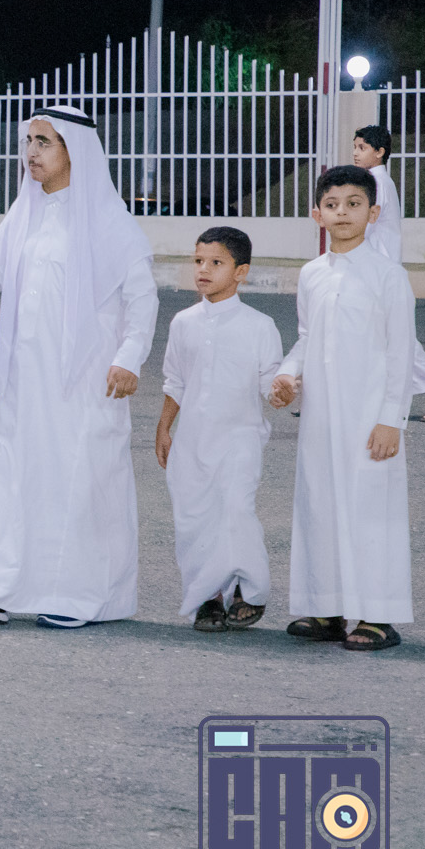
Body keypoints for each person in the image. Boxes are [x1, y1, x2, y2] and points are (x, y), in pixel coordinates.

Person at [0, 105, 158, 629]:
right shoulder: (22, 216)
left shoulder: (111, 222)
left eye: (45, 142)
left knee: (80, 481)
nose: (32, 152)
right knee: (12, 477)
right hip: (25, 379)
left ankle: (80, 596)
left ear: (74, 151)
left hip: (86, 381)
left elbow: (142, 299)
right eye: (29, 141)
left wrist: (129, 357)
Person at [269, 165, 416, 651]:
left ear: (373, 213)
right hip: (321, 416)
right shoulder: (312, 274)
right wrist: (288, 375)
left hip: (370, 416)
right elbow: (307, 337)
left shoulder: (388, 276)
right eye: (332, 205)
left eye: (354, 204)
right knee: (320, 505)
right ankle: (327, 608)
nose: (343, 213)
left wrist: (391, 420)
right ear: (318, 215)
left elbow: (401, 353)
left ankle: (378, 616)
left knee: (371, 510)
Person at [154, 227, 282, 632]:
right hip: (192, 440)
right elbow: (175, 380)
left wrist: (283, 392)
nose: (203, 270)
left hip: (240, 438)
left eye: (216, 262)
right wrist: (164, 428)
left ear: (240, 272)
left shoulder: (259, 326)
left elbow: (271, 383)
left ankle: (248, 590)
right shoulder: (183, 322)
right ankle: (208, 597)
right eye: (198, 261)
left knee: (236, 511)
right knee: (195, 519)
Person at [352, 126, 425, 422]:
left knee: (393, 340)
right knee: (378, 338)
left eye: (362, 147)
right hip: (377, 272)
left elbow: (363, 227)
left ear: (379, 152)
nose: (355, 153)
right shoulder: (377, 182)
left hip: (380, 275)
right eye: (355, 147)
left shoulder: (376, 183)